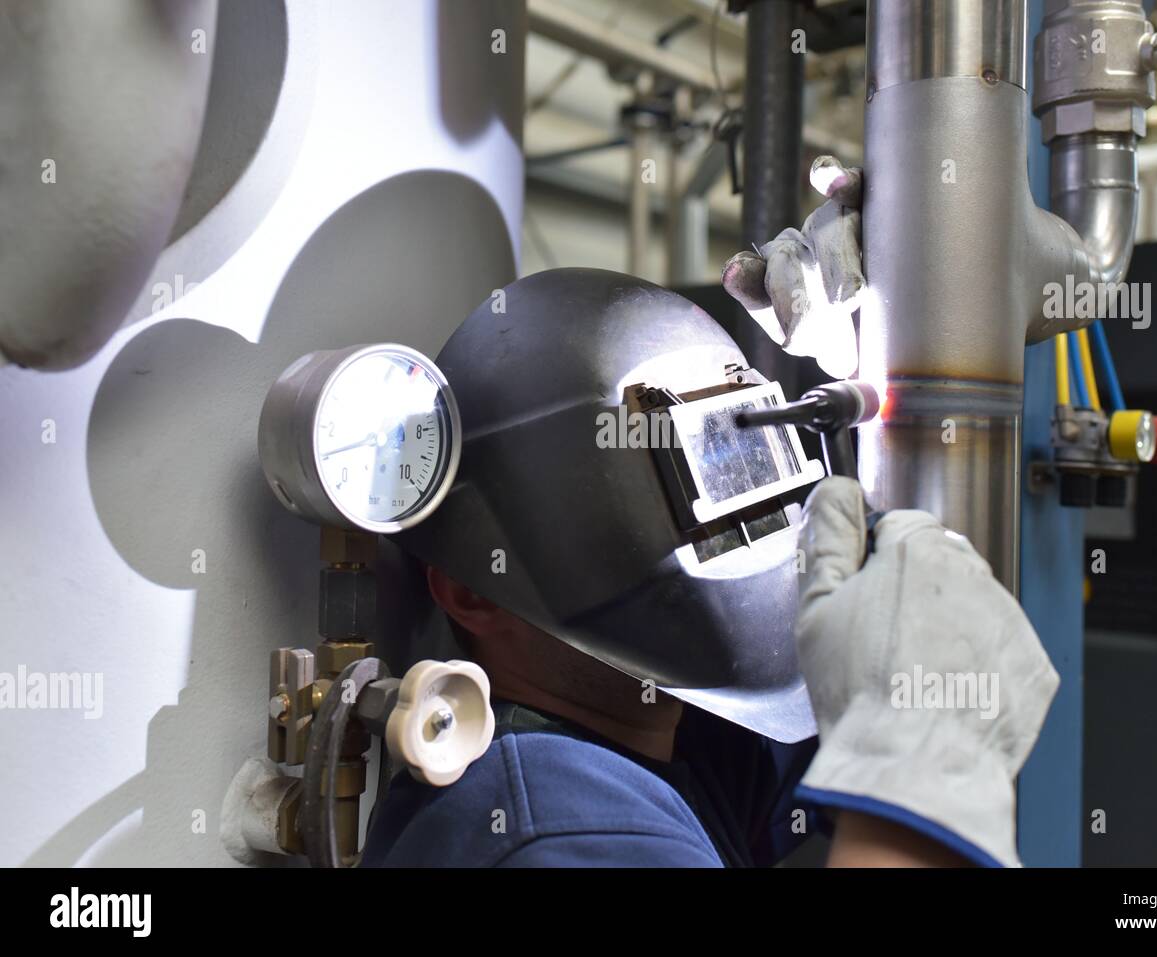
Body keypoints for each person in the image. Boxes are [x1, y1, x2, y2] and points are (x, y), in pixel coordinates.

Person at [363, 162, 1059, 868]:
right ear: (473, 589)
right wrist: (922, 781)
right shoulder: (556, 826)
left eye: (746, 445)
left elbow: (829, 695)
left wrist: (910, 287)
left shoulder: (658, 734)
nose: (752, 512)